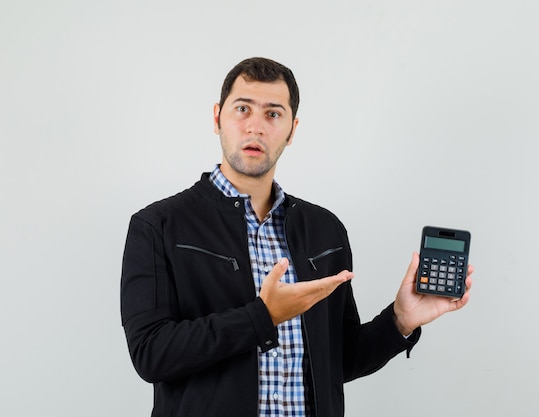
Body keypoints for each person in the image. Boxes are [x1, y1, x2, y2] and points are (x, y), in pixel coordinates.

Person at [120, 57, 473, 417]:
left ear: (291, 130)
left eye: (273, 114)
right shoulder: (158, 225)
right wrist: (263, 316)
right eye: (243, 109)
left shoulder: (325, 229)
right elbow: (151, 354)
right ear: (217, 118)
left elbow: (339, 361)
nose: (255, 126)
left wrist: (400, 320)